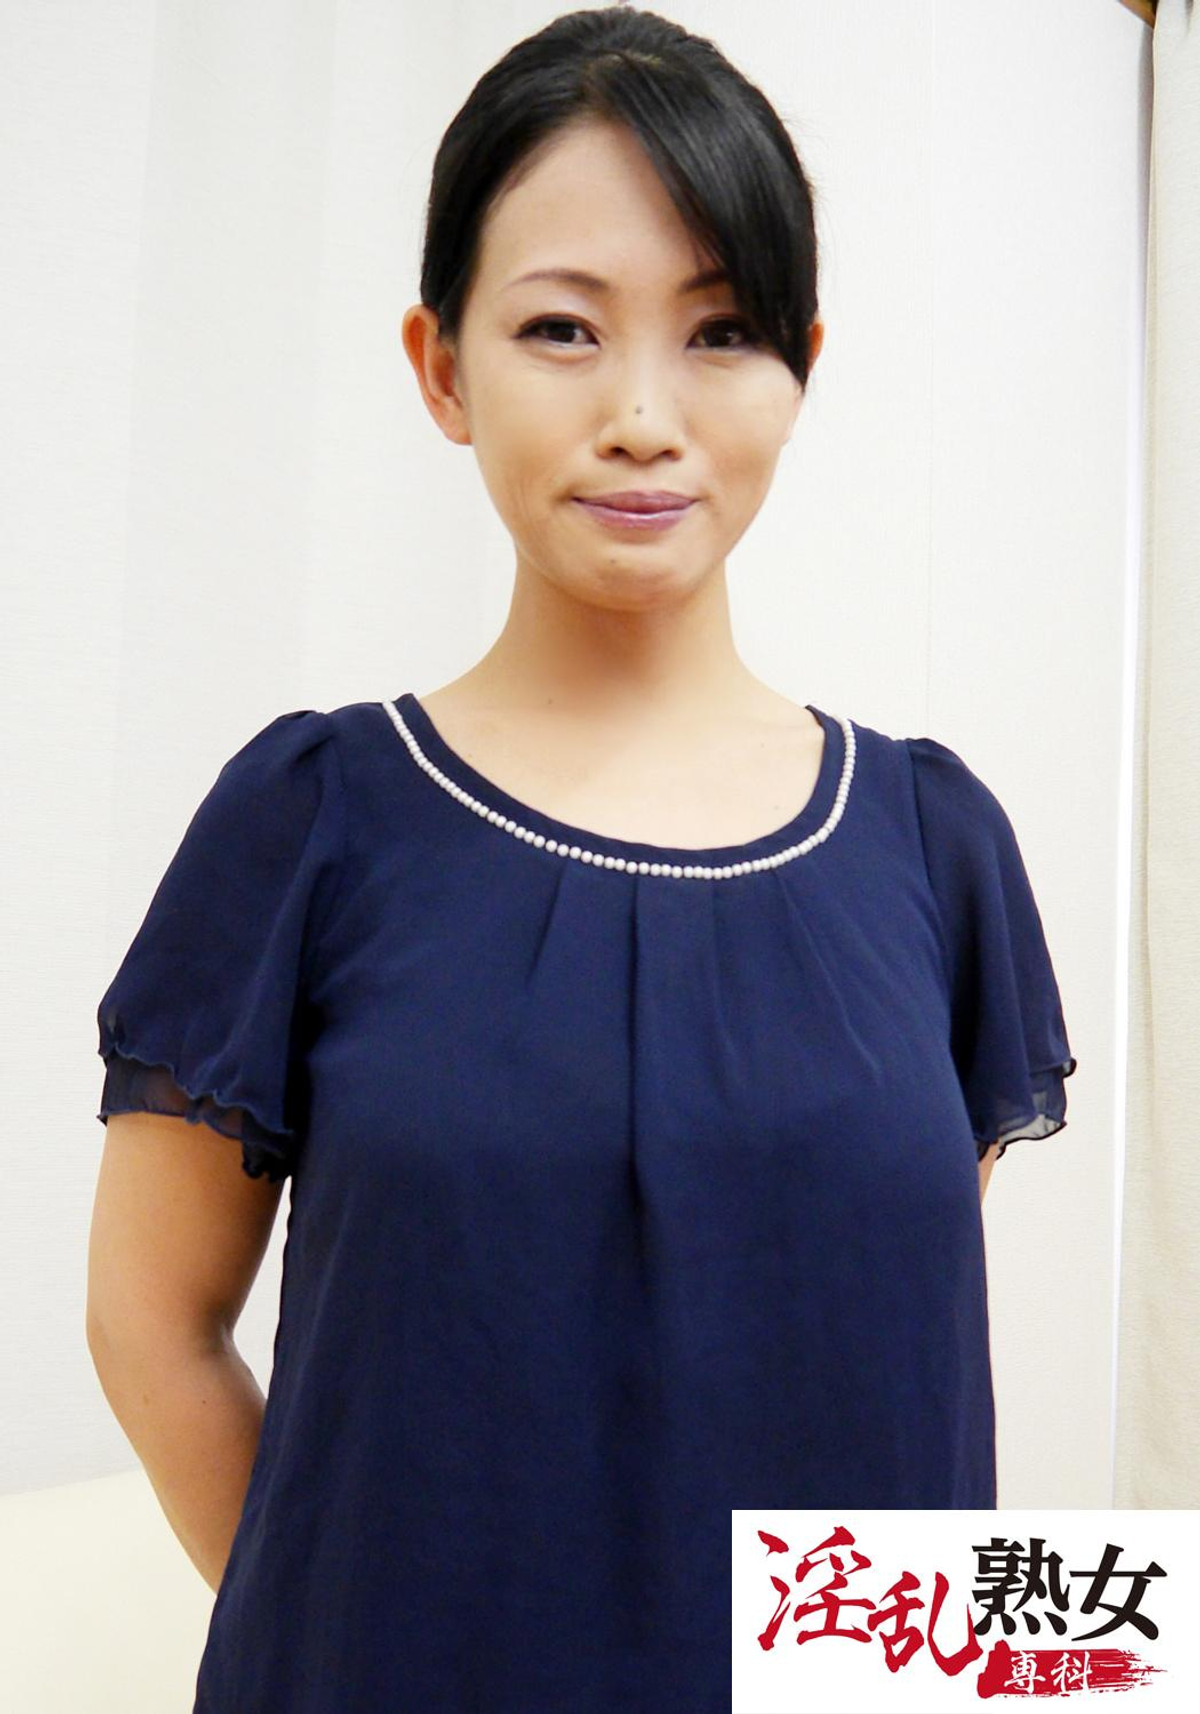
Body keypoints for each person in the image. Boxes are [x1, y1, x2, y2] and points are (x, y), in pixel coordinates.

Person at [86, 7, 1078, 1711]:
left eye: (721, 331)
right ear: (440, 368)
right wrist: (361, 1648)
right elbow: (149, 1323)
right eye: (561, 327)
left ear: (802, 368)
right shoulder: (314, 816)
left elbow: (868, 1378)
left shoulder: (933, 843)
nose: (640, 414)